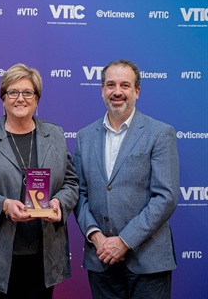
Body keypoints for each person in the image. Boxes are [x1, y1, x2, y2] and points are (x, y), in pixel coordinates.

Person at [0, 63, 78, 298]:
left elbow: (71, 183)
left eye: (27, 92)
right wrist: (4, 205)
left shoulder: (54, 135)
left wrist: (59, 203)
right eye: (12, 92)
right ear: (3, 99)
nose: (20, 99)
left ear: (37, 99)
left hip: (43, 254)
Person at [74, 59, 179, 298]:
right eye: (110, 85)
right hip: (100, 259)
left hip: (148, 261)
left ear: (136, 91)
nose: (117, 92)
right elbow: (79, 193)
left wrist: (124, 241)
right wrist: (96, 237)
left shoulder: (160, 133)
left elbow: (166, 197)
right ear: (102, 90)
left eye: (125, 85)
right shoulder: (84, 137)